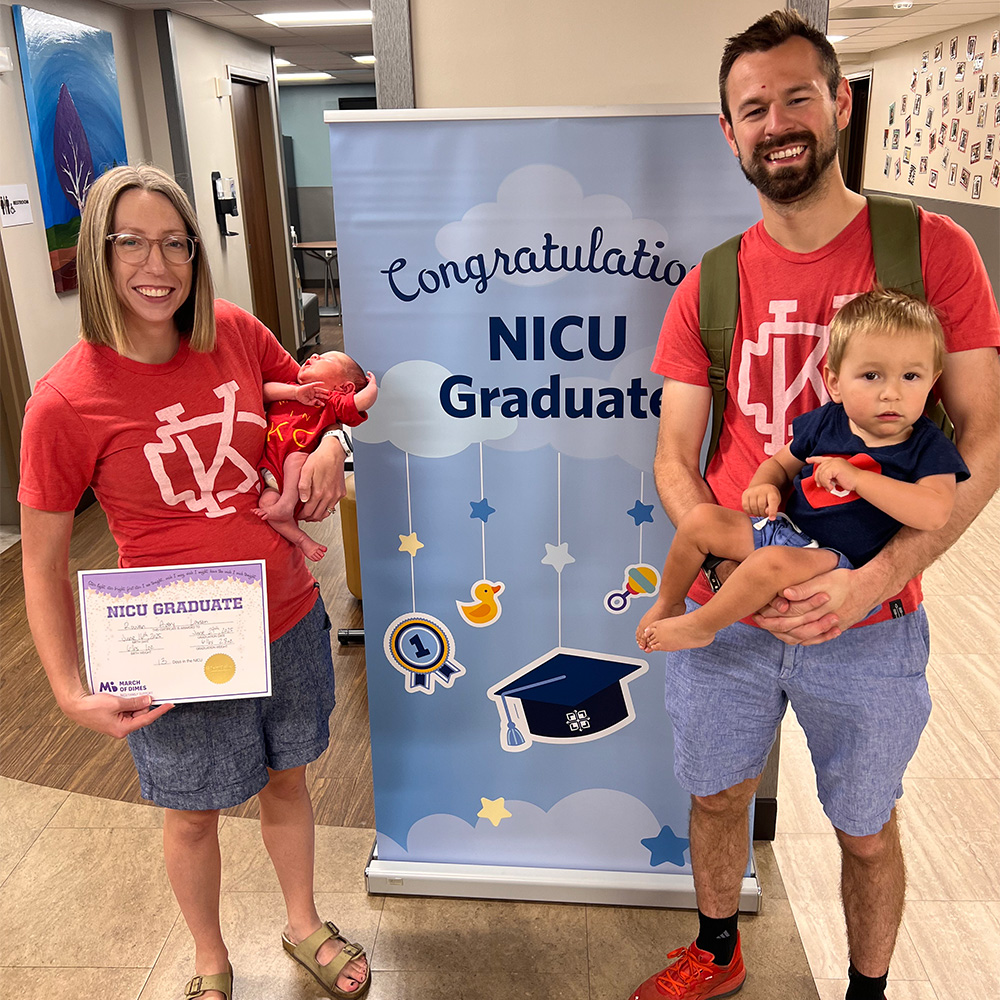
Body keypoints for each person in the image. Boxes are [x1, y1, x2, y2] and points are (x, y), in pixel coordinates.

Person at [628, 10, 999, 1000]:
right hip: (735, 612)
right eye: (753, 108)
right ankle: (716, 952)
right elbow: (673, 453)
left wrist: (868, 581)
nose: (777, 122)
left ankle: (869, 992)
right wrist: (722, 543)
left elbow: (982, 438)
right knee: (714, 800)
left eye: (798, 96)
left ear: (838, 102)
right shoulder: (710, 282)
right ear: (728, 131)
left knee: (865, 828)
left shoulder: (931, 252)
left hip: (870, 621)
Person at [19, 165, 370, 1000]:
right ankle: (211, 961)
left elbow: (314, 398)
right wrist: (70, 690)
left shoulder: (232, 332)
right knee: (193, 811)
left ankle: (301, 923)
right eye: (132, 242)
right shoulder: (65, 401)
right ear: (96, 254)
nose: (158, 264)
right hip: (175, 639)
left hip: (284, 613)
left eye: (176, 244)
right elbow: (42, 559)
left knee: (289, 779)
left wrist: (326, 445)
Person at [638, 288, 969, 653]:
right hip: (790, 532)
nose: (891, 393)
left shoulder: (927, 444)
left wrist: (859, 478)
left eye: (911, 377)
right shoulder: (827, 422)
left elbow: (935, 512)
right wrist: (765, 484)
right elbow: (781, 463)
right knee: (700, 521)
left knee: (769, 563)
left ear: (933, 379)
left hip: (836, 560)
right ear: (834, 382)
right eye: (872, 375)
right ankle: (669, 601)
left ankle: (702, 626)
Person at [256, 350, 377, 561]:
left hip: (299, 475)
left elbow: (360, 403)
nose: (313, 355)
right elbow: (263, 391)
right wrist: (293, 393)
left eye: (323, 358)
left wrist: (372, 386)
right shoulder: (291, 387)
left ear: (344, 387)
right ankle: (302, 539)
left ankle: (286, 504)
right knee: (266, 505)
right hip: (270, 471)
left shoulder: (331, 400)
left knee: (295, 459)